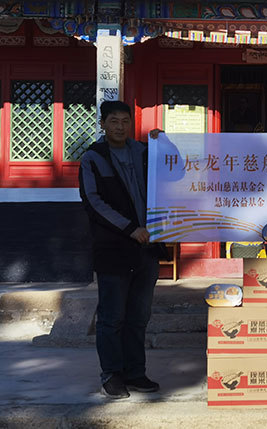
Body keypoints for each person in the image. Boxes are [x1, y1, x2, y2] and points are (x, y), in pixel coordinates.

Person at [79, 100, 163, 399]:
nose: (119, 127)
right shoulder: (93, 157)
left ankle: (135, 372)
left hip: (147, 248)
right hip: (114, 248)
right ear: (103, 124)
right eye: (113, 121)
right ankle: (112, 374)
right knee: (112, 316)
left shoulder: (144, 151)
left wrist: (165, 143)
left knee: (139, 315)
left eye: (125, 121)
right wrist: (131, 229)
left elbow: (177, 172)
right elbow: (94, 202)